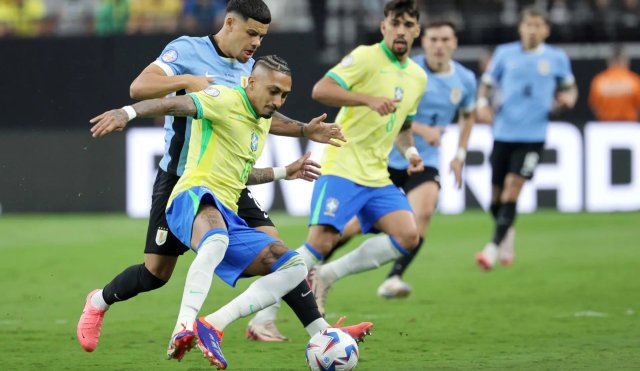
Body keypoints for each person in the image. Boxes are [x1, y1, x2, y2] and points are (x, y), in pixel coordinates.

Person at [76, 0, 347, 354]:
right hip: (181, 179)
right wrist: (188, 80)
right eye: (251, 33)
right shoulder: (188, 50)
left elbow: (262, 115)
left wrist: (302, 131)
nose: (256, 43)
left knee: (277, 252)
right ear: (230, 23)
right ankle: (99, 301)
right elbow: (140, 88)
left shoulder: (252, 70)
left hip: (229, 181)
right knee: (156, 273)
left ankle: (321, 333)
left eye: (262, 36)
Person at [324, 19, 477, 298]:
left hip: (422, 160)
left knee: (423, 214)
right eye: (434, 39)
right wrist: (423, 130)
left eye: (445, 40)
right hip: (384, 158)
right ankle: (315, 268)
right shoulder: (408, 71)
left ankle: (394, 278)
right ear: (423, 40)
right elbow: (390, 112)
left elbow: (469, 115)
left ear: (455, 43)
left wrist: (460, 155)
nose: (439, 46)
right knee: (352, 227)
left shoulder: (465, 79)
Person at [294, 0, 426, 315]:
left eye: (408, 25)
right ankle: (264, 314)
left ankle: (328, 275)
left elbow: (402, 126)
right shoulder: (367, 56)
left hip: (376, 174)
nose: (401, 30)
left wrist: (410, 151)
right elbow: (320, 89)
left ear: (417, 31)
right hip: (343, 164)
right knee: (320, 244)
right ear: (384, 27)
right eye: (395, 22)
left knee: (408, 235)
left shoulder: (418, 78)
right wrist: (367, 99)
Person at [475, 6, 577, 270]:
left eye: (537, 25)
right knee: (495, 198)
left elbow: (570, 88)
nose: (532, 30)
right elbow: (486, 83)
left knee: (512, 188)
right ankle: (506, 233)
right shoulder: (504, 54)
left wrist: (568, 100)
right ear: (520, 28)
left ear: (546, 30)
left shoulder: (556, 58)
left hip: (533, 136)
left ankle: (492, 248)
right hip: (503, 132)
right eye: (528, 25)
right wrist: (482, 105)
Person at [589, 44, 640, 122]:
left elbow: (594, 107)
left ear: (609, 61)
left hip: (606, 126)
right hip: (629, 127)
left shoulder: (599, 80)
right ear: (625, 60)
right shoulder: (634, 80)